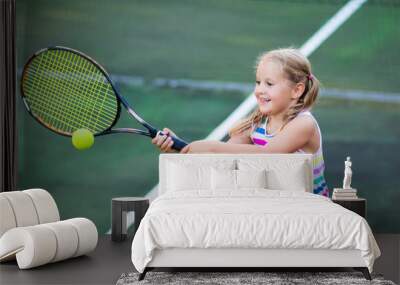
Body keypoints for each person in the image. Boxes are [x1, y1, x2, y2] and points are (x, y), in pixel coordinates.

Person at [151, 48, 329, 197]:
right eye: (258, 82)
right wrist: (180, 148)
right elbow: (225, 160)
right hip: (277, 204)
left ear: (297, 90)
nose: (259, 90)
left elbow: (268, 156)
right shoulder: (257, 123)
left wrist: (210, 147)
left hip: (311, 209)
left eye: (269, 84)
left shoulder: (303, 124)